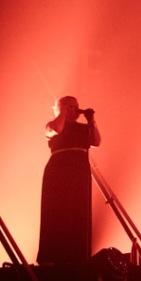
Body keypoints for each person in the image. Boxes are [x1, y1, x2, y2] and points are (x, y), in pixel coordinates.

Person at [37, 96, 101, 266]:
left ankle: (78, 255)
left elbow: (96, 141)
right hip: (59, 172)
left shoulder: (82, 128)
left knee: (78, 211)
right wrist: (63, 113)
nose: (75, 109)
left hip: (79, 172)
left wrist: (91, 120)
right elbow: (56, 130)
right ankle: (53, 255)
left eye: (76, 106)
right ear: (60, 108)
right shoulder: (52, 125)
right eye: (69, 106)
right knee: (58, 211)